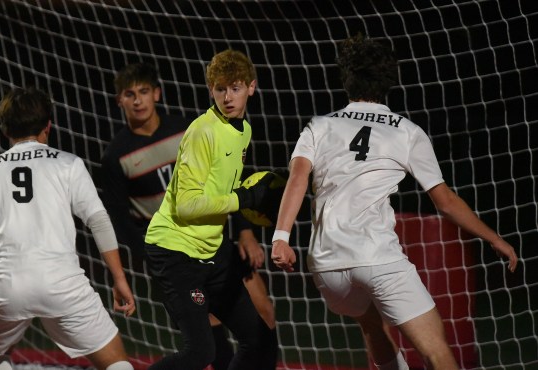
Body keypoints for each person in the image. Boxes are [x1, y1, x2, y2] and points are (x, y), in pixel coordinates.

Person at [270, 34, 518, 370]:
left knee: (371, 324)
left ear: (346, 79)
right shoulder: (406, 131)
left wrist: (281, 238)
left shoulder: (320, 125)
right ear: (390, 81)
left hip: (327, 266)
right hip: (376, 257)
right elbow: (444, 201)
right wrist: (494, 238)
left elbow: (298, 178)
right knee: (436, 349)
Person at [101, 62, 277, 370]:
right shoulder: (116, 155)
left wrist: (245, 230)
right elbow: (120, 219)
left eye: (144, 92)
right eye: (130, 95)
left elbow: (228, 179)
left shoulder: (187, 130)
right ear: (120, 101)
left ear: (157, 93)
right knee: (205, 346)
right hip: (176, 251)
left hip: (215, 238)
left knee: (262, 314)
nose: (138, 101)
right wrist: (151, 257)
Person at [0, 87, 136, 370]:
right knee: (117, 364)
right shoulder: (68, 164)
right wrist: (119, 277)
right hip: (62, 284)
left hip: (7, 289)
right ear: (48, 127)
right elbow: (99, 221)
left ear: (4, 131)